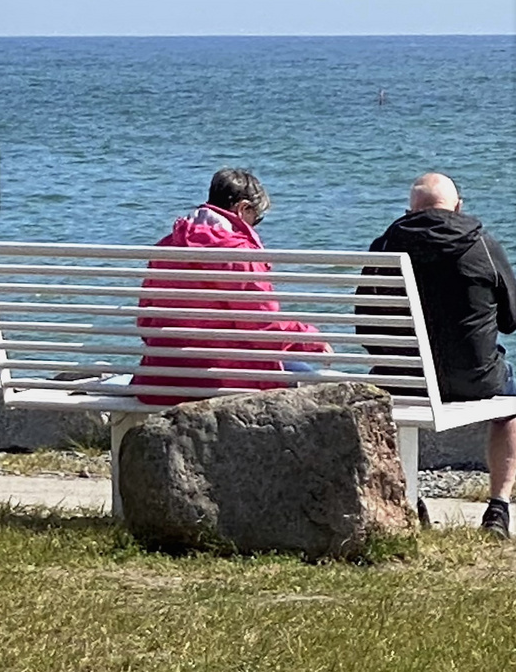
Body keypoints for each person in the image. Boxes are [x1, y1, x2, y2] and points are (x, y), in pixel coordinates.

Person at [367, 173, 516, 537]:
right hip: (474, 380)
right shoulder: (481, 244)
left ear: (410, 211)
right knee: (512, 400)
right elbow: (512, 321)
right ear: (458, 206)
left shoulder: (386, 246)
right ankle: (498, 508)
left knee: (387, 377)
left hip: (406, 379)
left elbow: (367, 324)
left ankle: (409, 495)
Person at [135, 168, 331, 404]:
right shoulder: (239, 254)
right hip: (231, 382)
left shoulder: (165, 249)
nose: (255, 226)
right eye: (257, 218)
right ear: (243, 209)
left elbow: (146, 324)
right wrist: (312, 340)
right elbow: (265, 331)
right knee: (325, 387)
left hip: (163, 380)